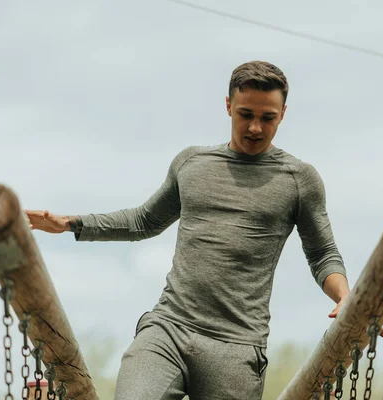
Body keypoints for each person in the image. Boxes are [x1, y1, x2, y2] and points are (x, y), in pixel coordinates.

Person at [27, 60, 365, 400]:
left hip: (236, 346)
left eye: (268, 118)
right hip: (169, 328)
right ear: (228, 105)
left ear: (283, 113)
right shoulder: (192, 163)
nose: (255, 128)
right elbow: (144, 220)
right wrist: (69, 223)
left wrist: (345, 297)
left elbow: (322, 253)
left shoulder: (299, 179)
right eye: (246, 114)